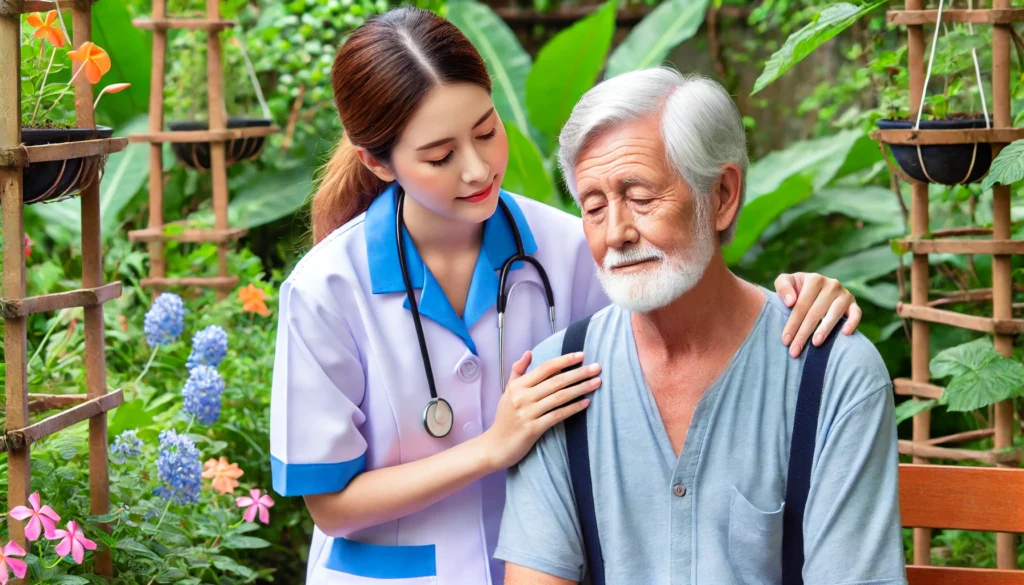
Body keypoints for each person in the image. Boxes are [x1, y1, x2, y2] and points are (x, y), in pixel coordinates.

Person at [269, 9, 867, 585]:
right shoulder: (326, 290)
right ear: (377, 161)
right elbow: (331, 506)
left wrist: (800, 295)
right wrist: (491, 448)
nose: (478, 170)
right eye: (440, 156)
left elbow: (688, 320)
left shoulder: (571, 247)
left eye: (486, 131)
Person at [495, 67, 906, 585]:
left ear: (721, 195)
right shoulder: (556, 382)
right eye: (594, 207)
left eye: (641, 198)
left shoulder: (832, 374)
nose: (616, 232)